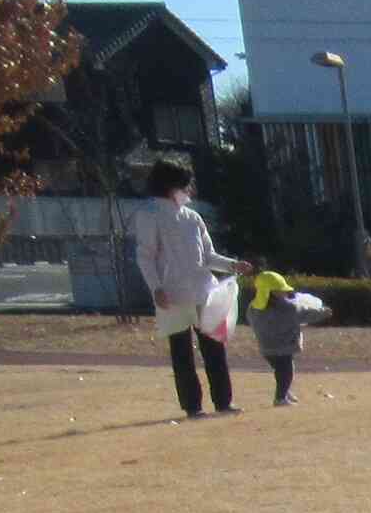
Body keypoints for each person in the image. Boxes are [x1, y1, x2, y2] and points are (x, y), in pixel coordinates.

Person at [128, 160, 238, 418]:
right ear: (170, 186)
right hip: (172, 295)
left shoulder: (192, 217)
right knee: (182, 353)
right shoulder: (150, 214)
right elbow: (145, 256)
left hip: (202, 291)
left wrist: (232, 265)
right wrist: (156, 288)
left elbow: (207, 255)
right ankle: (193, 406)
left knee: (215, 349)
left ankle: (224, 402)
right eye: (184, 185)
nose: (188, 190)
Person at [235, 262, 323, 407]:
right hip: (284, 346)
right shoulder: (287, 307)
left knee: (280, 370)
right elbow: (305, 314)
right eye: (281, 290)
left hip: (266, 348)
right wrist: (323, 312)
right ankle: (280, 397)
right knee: (286, 370)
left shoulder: (253, 307)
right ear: (272, 292)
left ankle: (285, 391)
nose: (285, 293)